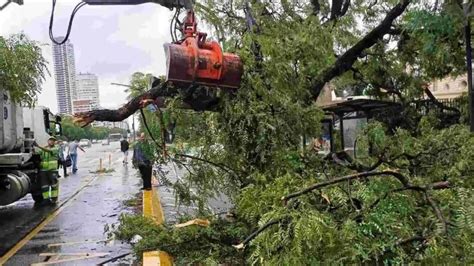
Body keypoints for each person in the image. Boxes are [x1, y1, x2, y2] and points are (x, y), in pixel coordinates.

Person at [34, 137, 60, 204]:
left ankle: (54, 199)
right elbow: (37, 153)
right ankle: (46, 199)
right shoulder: (44, 148)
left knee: (54, 185)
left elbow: (49, 151)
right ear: (48, 141)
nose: (52, 142)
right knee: (44, 186)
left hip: (52, 170)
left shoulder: (56, 148)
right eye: (50, 140)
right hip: (44, 170)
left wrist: (38, 146)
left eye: (53, 141)